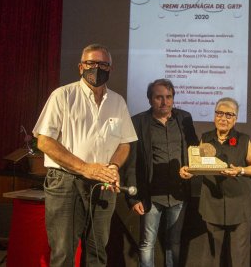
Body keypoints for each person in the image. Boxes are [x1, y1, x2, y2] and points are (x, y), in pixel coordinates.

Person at [32, 44, 138, 266]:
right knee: (63, 253)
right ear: (81, 67)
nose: (96, 68)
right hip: (66, 183)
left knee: (98, 253)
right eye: (91, 63)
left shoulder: (117, 101)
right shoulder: (62, 95)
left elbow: (125, 143)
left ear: (110, 68)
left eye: (102, 64)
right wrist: (85, 168)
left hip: (103, 184)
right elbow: (44, 141)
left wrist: (114, 167)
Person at [123, 79, 198, 267]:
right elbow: (131, 163)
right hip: (151, 195)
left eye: (168, 97)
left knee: (174, 242)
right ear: (150, 100)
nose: (164, 102)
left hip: (179, 193)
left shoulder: (184, 118)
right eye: (159, 97)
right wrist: (133, 198)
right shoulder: (138, 122)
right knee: (147, 243)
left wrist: (192, 169)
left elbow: (194, 150)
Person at [180, 97, 251, 267]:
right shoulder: (206, 138)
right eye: (220, 113)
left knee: (240, 257)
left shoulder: (243, 140)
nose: (223, 118)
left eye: (229, 115)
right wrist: (189, 171)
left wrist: (240, 170)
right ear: (214, 115)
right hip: (212, 204)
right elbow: (199, 165)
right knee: (213, 255)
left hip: (240, 206)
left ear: (235, 119)